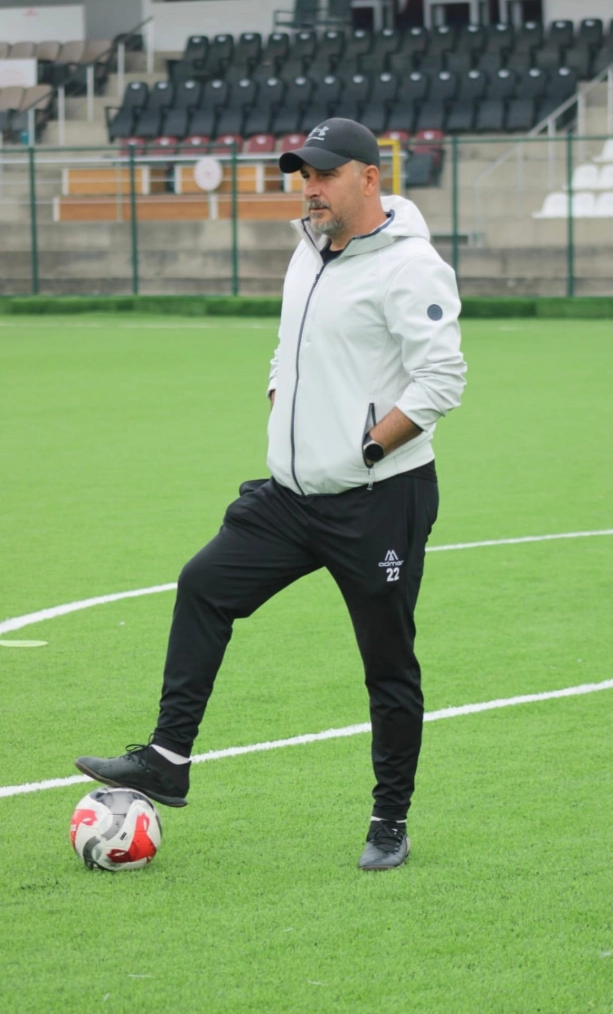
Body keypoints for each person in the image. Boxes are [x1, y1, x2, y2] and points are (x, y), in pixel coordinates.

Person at [76, 119, 466, 871]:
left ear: (368, 177)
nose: (309, 188)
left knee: (387, 664)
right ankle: (167, 759)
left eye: (323, 174)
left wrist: (364, 446)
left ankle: (389, 820)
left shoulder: (412, 266)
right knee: (203, 585)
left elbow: (441, 379)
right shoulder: (307, 249)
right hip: (291, 497)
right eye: (302, 174)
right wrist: (280, 396)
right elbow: (292, 345)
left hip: (380, 498)